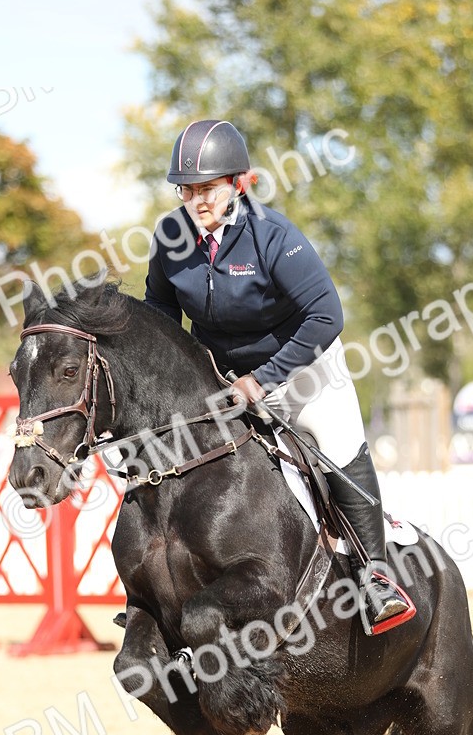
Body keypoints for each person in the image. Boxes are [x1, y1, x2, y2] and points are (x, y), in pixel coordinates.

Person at [144, 118, 414, 635]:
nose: (197, 201)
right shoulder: (171, 238)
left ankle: (376, 574)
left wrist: (263, 379)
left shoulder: (273, 235)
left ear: (238, 184)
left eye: (208, 188)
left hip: (303, 371)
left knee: (334, 448)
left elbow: (327, 315)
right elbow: (161, 318)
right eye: (188, 190)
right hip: (223, 382)